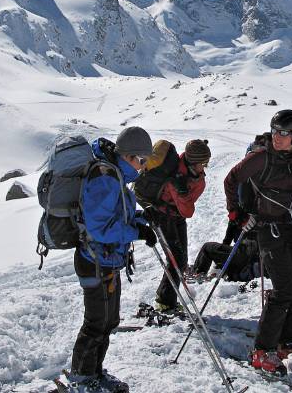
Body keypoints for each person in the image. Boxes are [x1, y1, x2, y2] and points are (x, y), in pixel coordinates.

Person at [224, 110, 292, 375]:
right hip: (269, 230)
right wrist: (236, 214)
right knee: (284, 290)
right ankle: (262, 350)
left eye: (284, 133)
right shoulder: (260, 157)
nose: (277, 136)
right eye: (275, 131)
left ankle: (285, 341)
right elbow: (231, 180)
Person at [68, 126, 157, 392]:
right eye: (141, 161)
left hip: (106, 260)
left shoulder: (115, 175)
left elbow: (116, 215)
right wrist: (136, 231)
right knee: (97, 323)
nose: (142, 167)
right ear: (128, 156)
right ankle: (82, 377)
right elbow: (101, 229)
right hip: (95, 260)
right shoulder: (105, 178)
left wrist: (141, 218)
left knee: (108, 321)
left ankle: (93, 371)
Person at [149, 139, 211, 313]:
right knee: (177, 259)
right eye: (203, 163)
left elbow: (185, 211)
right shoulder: (175, 174)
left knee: (179, 260)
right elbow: (187, 211)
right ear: (194, 162)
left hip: (175, 217)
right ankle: (165, 301)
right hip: (162, 216)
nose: (205, 167)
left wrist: (183, 192)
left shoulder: (194, 177)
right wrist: (182, 192)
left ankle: (166, 299)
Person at [190, 236, 261, 282]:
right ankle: (199, 271)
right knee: (215, 250)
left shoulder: (244, 218)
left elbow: (228, 239)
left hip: (243, 254)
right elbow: (227, 240)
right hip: (245, 256)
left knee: (207, 247)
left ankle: (197, 272)